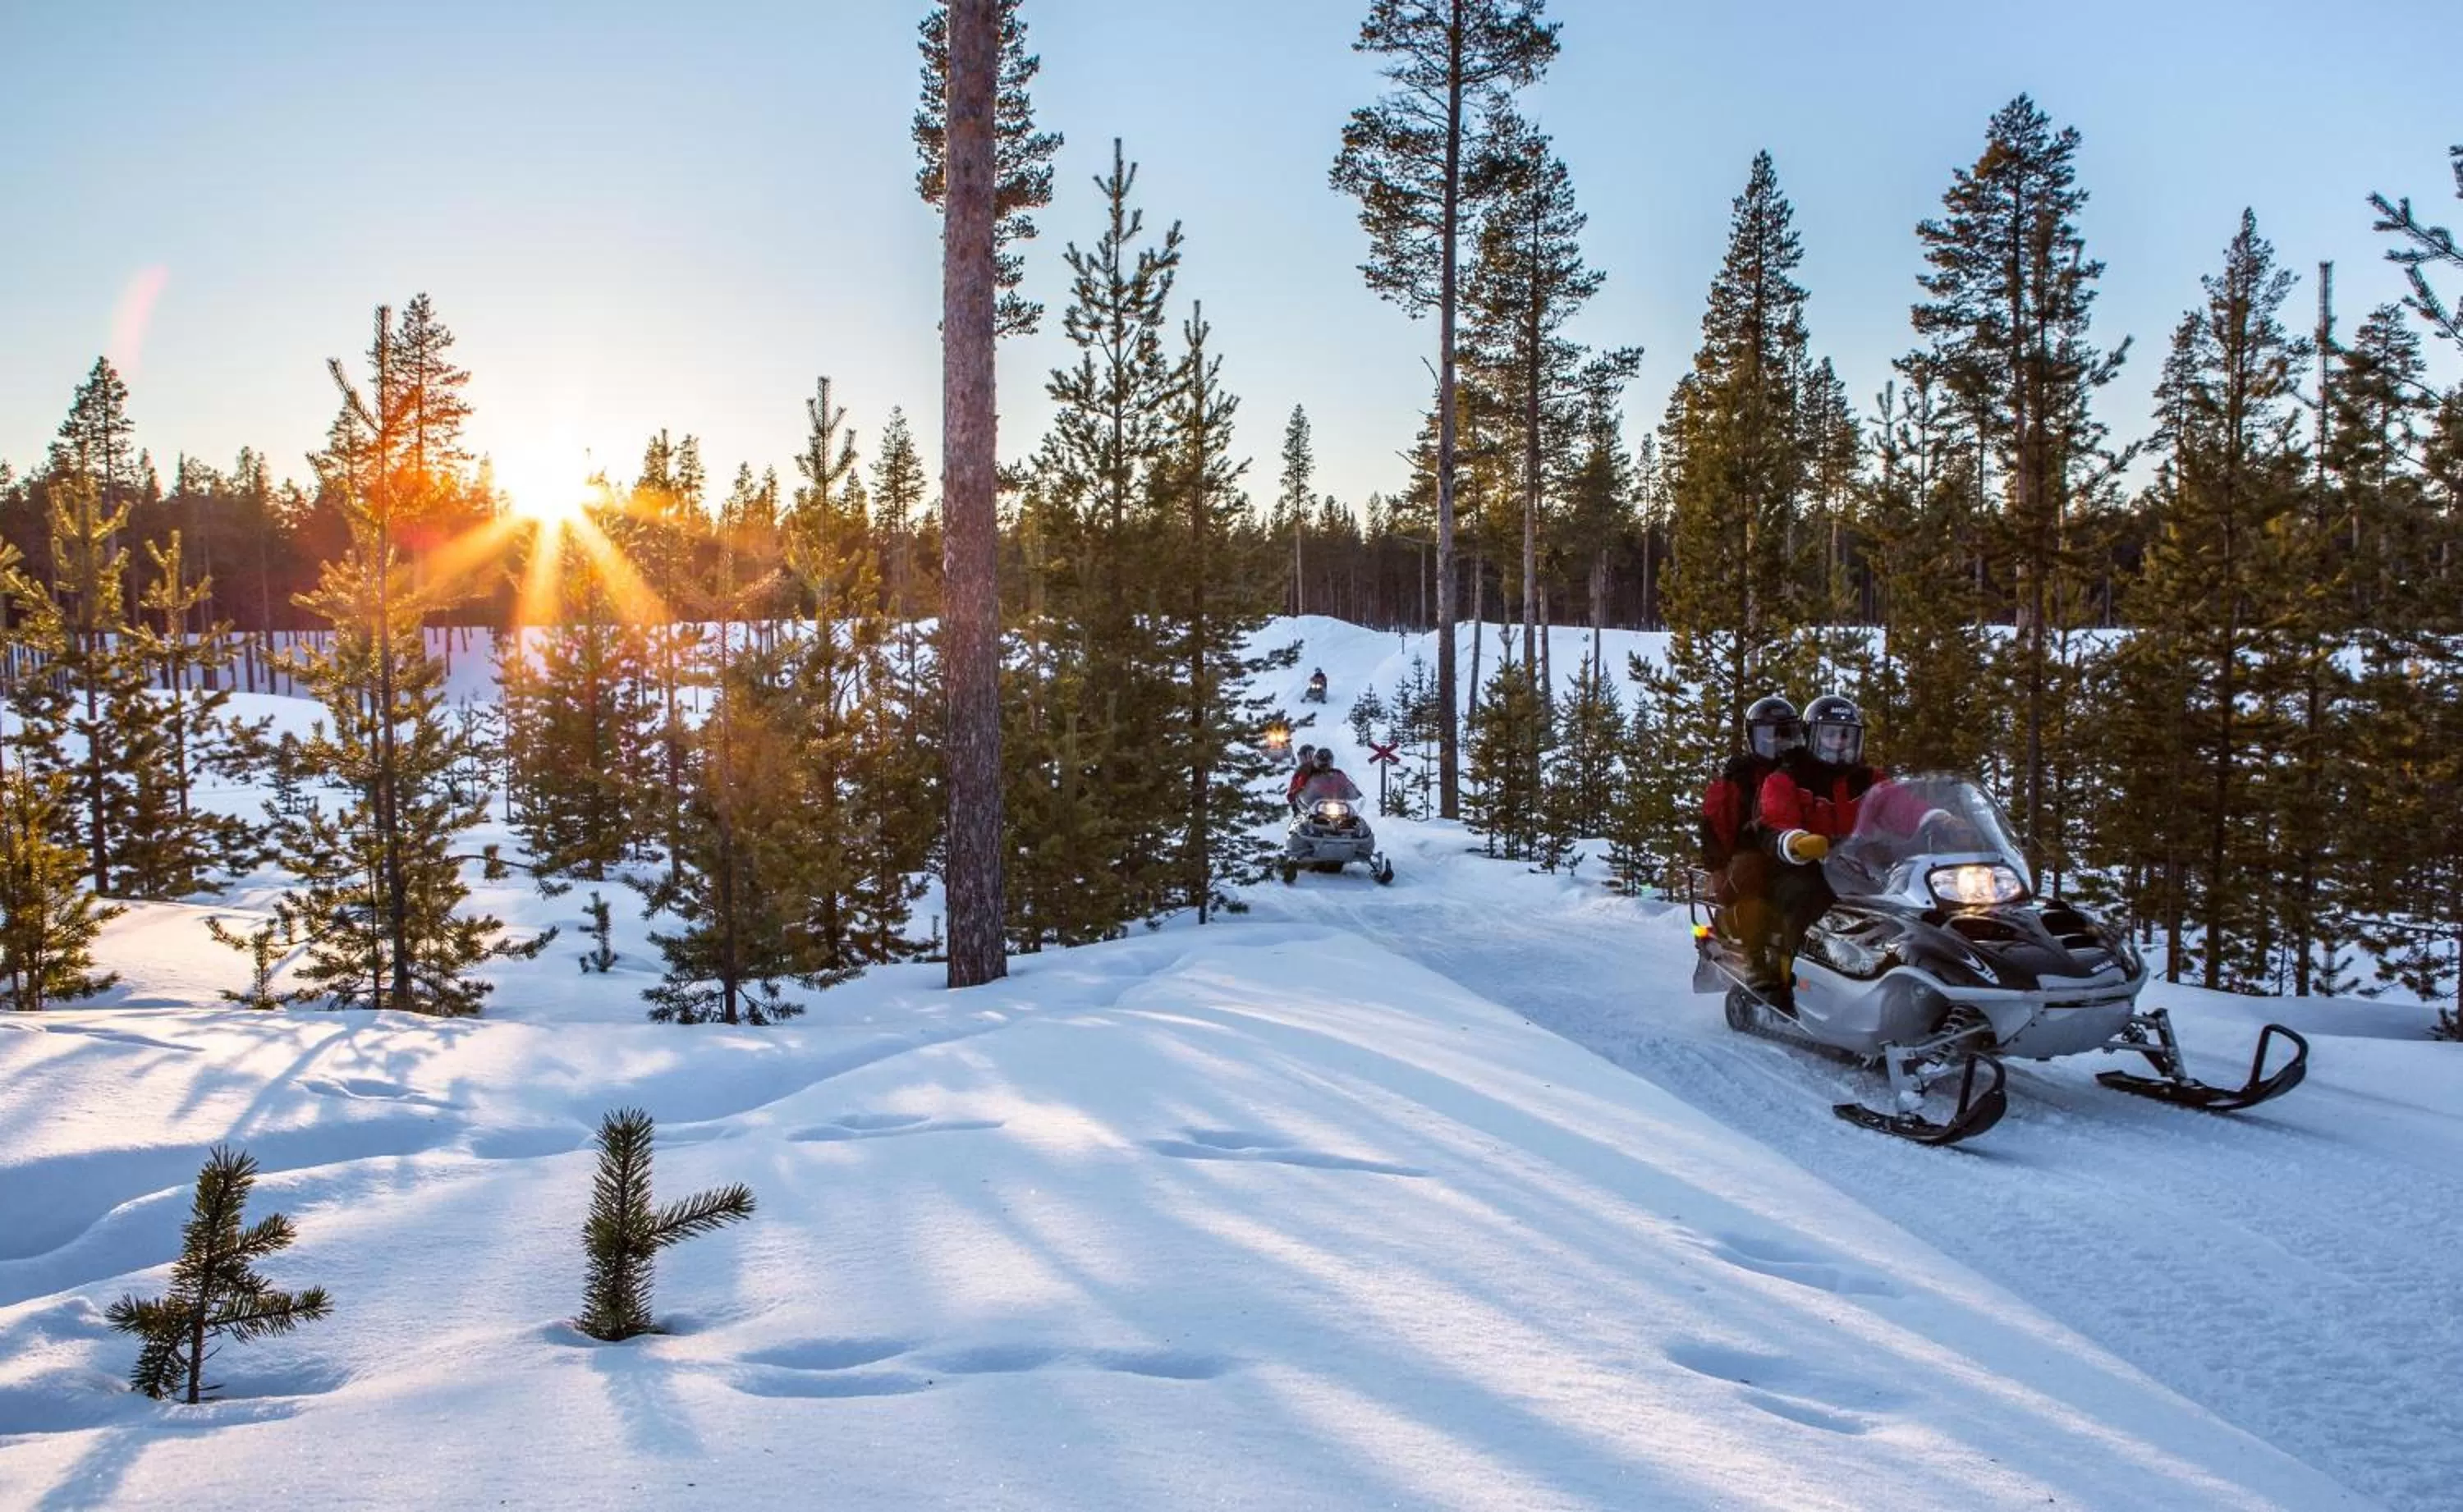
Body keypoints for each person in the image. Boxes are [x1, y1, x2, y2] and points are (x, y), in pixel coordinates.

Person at [1758, 694, 1885, 1000]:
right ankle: (1784, 979)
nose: (1839, 742)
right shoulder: (1788, 777)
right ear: (1813, 735)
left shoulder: (1868, 779)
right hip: (1804, 867)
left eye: (1846, 735)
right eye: (1830, 733)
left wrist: (1937, 819)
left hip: (1860, 867)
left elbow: (1901, 805)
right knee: (1806, 898)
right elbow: (1776, 820)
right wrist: (1796, 841)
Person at [1701, 695, 1800, 983]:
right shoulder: (1739, 779)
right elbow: (1713, 828)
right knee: (1753, 874)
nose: (1778, 744)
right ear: (1753, 738)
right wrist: (1718, 865)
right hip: (1748, 864)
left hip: (1795, 855)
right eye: (1769, 736)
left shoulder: (1802, 773)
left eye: (1786, 735)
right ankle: (1755, 960)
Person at [1288, 745, 1363, 811]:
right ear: (1316, 761)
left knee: (1357, 821)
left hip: (1337, 807)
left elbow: (1346, 785)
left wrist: (1355, 794)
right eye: (1321, 764)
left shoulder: (1337, 774)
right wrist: (1295, 799)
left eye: (1327, 764)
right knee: (1300, 823)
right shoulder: (1306, 773)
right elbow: (1297, 789)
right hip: (1313, 808)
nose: (1324, 767)